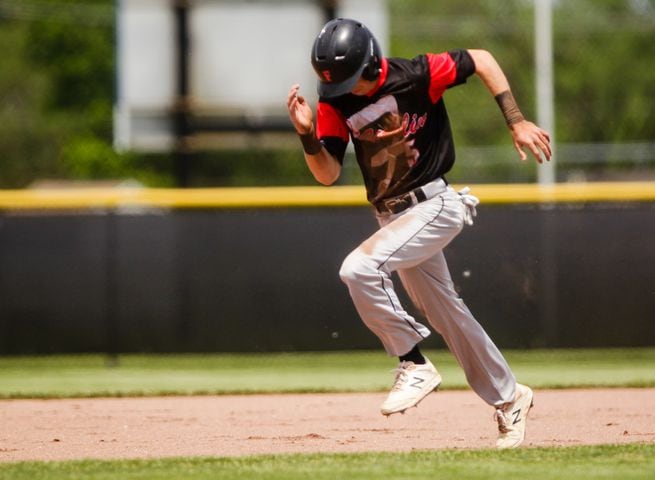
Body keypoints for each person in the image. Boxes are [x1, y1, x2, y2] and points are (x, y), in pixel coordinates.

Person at [286, 18, 551, 449]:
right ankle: (511, 398)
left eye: (350, 80)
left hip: (435, 204)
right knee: (448, 313)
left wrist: (516, 120)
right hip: (392, 219)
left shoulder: (416, 74)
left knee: (358, 269)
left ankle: (413, 362)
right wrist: (307, 135)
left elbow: (481, 60)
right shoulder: (335, 100)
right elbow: (327, 173)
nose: (343, 90)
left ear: (371, 63)